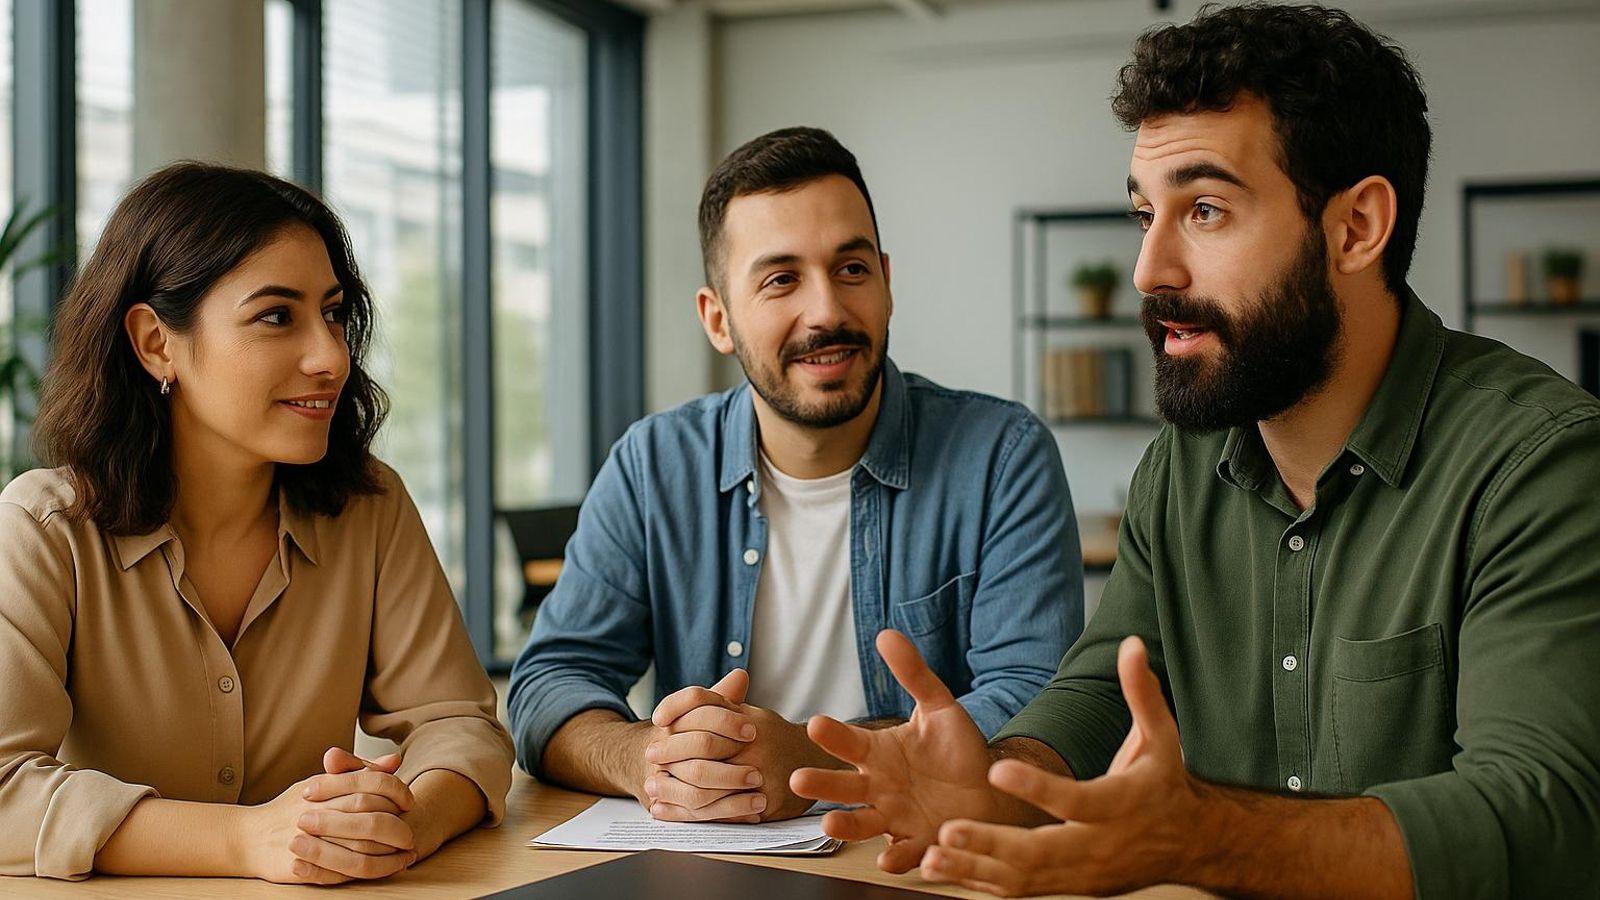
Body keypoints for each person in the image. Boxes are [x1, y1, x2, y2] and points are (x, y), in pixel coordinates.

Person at [790, 5, 1600, 898]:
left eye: (1205, 210)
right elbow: (1103, 686)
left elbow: (1541, 815)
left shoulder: (1540, 464)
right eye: (1146, 214)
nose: (1148, 269)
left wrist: (1205, 838)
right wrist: (998, 779)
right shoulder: (1184, 462)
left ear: (1357, 227)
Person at [508, 127, 1083, 824]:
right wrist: (648, 760)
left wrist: (815, 762)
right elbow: (549, 681)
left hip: (921, 857)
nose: (828, 312)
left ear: (887, 283)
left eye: (851, 269)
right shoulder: (652, 466)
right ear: (718, 319)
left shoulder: (1001, 456)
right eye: (781, 279)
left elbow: (1039, 703)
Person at [0, 163, 514, 884]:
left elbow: (459, 725)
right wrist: (247, 840)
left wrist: (400, 824)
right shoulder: (43, 530)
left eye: (333, 313)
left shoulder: (370, 507)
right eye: (277, 316)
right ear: (155, 344)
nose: (330, 355)